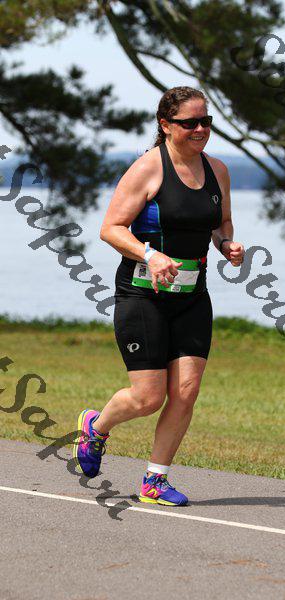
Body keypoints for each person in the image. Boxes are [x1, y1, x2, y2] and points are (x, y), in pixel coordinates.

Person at [73, 86, 245, 506]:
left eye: (206, 121)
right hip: (142, 295)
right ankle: (96, 427)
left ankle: (155, 479)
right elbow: (111, 228)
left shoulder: (217, 170)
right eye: (190, 123)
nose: (200, 129)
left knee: (186, 391)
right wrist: (150, 255)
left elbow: (221, 221)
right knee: (148, 398)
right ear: (166, 125)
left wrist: (226, 244)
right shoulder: (148, 168)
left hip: (192, 296)